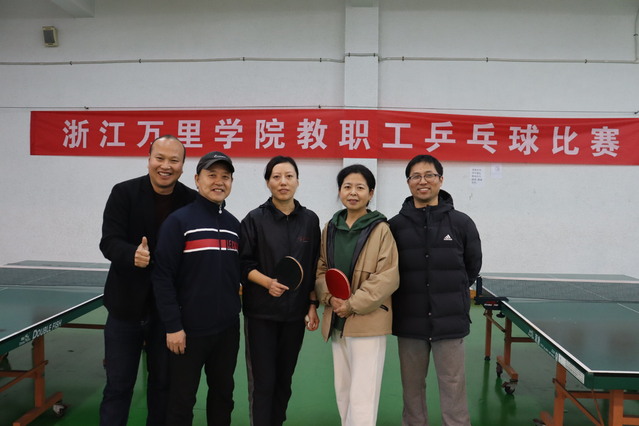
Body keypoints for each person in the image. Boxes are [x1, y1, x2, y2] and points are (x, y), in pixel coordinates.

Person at [99, 135, 197, 426]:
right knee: (118, 386)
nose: (166, 166)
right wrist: (132, 254)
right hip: (124, 308)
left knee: (163, 386)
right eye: (160, 158)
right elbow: (108, 241)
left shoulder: (192, 201)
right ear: (149, 160)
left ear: (182, 166)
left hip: (167, 313)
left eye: (174, 160)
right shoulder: (123, 193)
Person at [388, 154, 482, 426]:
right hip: (409, 320)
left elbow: (472, 266)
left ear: (441, 180)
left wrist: (452, 296)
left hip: (449, 320)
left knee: (453, 384)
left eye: (429, 175)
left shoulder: (461, 223)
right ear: (408, 183)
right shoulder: (395, 226)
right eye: (416, 176)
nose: (423, 181)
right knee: (412, 386)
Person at [152, 151, 241, 426]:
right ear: (197, 179)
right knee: (181, 401)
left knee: (223, 396)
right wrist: (173, 326)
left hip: (227, 331)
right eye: (211, 175)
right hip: (187, 332)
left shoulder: (234, 226)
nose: (219, 182)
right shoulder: (179, 222)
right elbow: (162, 276)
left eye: (225, 177)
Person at [315, 164, 399, 426]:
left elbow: (387, 276)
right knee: (343, 388)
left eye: (360, 187)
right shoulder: (330, 227)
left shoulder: (381, 229)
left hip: (367, 321)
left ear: (370, 193)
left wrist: (352, 304)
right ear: (340, 191)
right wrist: (329, 298)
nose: (353, 192)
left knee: (363, 392)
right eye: (347, 187)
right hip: (337, 319)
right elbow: (321, 269)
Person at [239, 155, 321, 426]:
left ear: (297, 181)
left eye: (289, 176)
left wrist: (312, 305)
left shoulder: (310, 220)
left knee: (284, 381)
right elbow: (242, 264)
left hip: (294, 316)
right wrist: (267, 283)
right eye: (276, 177)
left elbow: (313, 266)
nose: (283, 182)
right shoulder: (254, 219)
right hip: (261, 315)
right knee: (263, 383)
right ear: (267, 182)